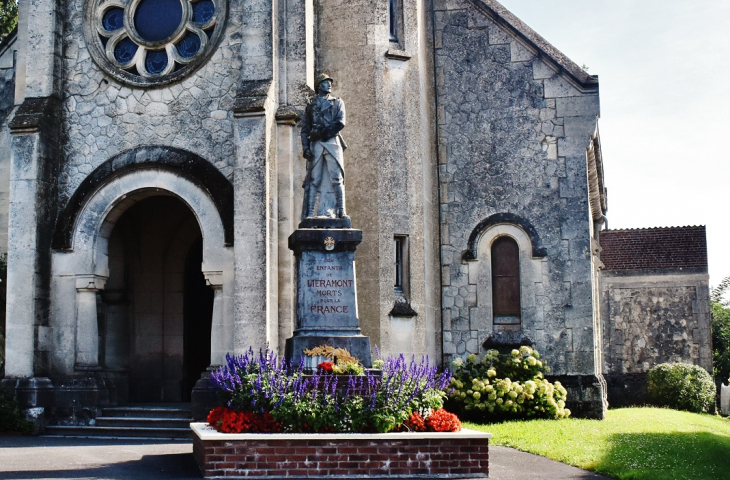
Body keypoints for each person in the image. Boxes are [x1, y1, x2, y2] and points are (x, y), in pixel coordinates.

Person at [300, 73, 348, 219]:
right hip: (316, 146)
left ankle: (342, 212)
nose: (329, 85)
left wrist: (321, 134)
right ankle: (309, 214)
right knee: (314, 179)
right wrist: (306, 148)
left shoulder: (337, 102)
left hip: (332, 142)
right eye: (326, 82)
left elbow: (340, 122)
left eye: (329, 82)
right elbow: (305, 130)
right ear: (319, 86)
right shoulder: (311, 106)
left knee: (337, 178)